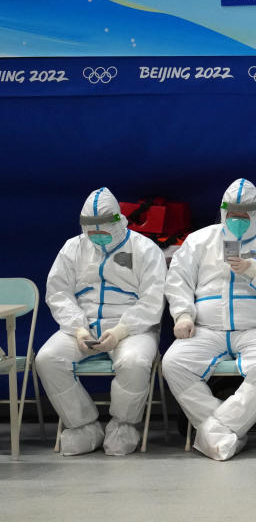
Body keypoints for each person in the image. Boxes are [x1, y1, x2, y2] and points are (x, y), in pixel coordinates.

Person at [162, 178, 256, 460]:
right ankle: (225, 430)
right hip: (206, 327)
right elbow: (178, 281)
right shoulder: (200, 241)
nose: (237, 220)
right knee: (174, 363)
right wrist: (182, 315)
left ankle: (216, 429)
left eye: (244, 215)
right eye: (232, 214)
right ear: (223, 210)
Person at [36, 187, 166, 456]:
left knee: (134, 362)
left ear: (118, 222)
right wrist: (78, 328)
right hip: (83, 326)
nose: (96, 235)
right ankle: (82, 425)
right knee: (47, 359)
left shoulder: (145, 249)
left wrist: (120, 330)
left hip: (132, 327)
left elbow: (153, 300)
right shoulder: (73, 248)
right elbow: (58, 292)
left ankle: (124, 425)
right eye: (90, 230)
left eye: (102, 229)